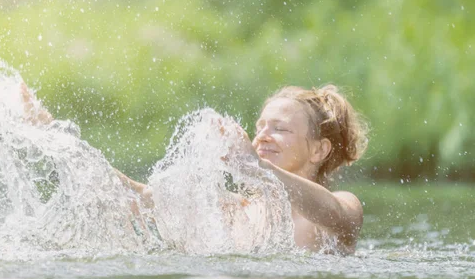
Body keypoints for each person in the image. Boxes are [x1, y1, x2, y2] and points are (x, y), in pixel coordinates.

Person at [21, 83, 369, 255]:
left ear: (319, 150)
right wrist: (56, 137)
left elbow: (336, 214)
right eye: (260, 127)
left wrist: (255, 166)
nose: (263, 136)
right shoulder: (235, 211)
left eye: (279, 128)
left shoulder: (342, 205)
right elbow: (138, 197)